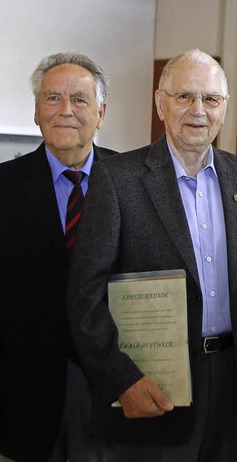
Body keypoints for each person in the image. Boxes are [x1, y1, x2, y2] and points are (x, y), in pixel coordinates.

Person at [67, 49, 237, 462]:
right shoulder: (117, 180)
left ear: (225, 107)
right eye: (185, 96)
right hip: (151, 387)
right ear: (160, 103)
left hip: (235, 388)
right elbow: (85, 297)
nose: (198, 110)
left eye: (211, 99)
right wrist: (121, 380)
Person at [0, 52, 115, 462]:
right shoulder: (4, 187)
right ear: (36, 112)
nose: (65, 110)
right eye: (53, 98)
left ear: (100, 113)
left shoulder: (133, 183)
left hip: (111, 395)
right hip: (20, 397)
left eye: (80, 100)